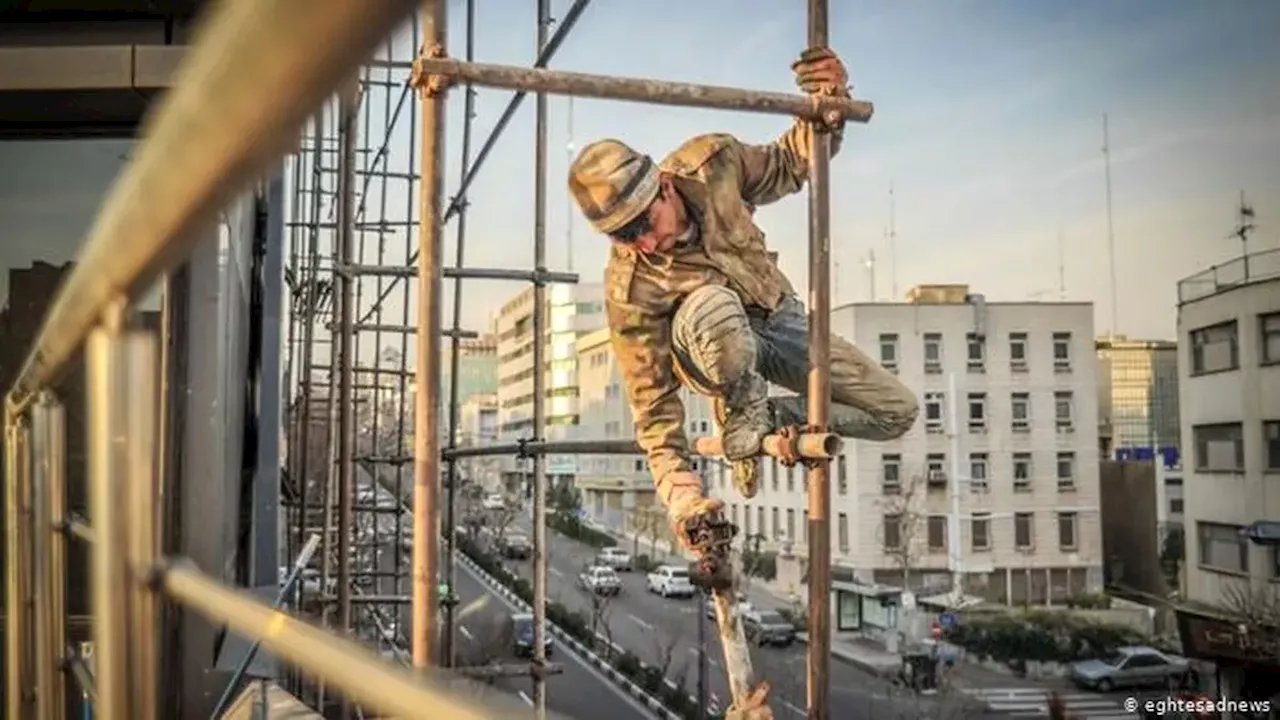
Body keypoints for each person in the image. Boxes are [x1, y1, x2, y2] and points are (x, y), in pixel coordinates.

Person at [566, 47, 919, 551]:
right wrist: (683, 498)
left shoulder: (713, 165)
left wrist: (830, 103)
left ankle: (761, 416)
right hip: (710, 346)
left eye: (644, 223)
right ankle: (739, 401)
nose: (643, 243)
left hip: (778, 318)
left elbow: (790, 164)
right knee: (713, 304)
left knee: (895, 411)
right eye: (624, 237)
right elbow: (654, 410)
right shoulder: (631, 289)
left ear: (664, 187)